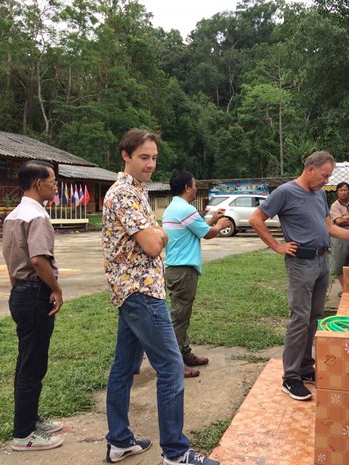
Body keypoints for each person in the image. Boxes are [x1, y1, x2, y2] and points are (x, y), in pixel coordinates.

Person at [102, 129, 219, 465]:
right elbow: (152, 243)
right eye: (143, 157)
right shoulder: (124, 193)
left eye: (154, 157)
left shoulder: (136, 191)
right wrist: (162, 234)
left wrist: (157, 233)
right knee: (170, 366)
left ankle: (119, 441)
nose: (150, 164)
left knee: (124, 367)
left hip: (136, 290)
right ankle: (176, 453)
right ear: (125, 155)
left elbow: (151, 238)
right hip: (140, 292)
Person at [249, 151, 349, 401]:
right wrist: (277, 246)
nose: (327, 181)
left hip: (321, 260)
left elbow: (330, 228)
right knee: (299, 317)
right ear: (310, 169)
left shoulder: (319, 194)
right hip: (301, 262)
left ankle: (307, 368)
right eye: (324, 175)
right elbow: (256, 219)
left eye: (329, 176)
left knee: (314, 317)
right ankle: (291, 377)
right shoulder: (286, 192)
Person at [2, 160, 64, 451]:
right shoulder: (37, 216)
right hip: (35, 294)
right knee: (32, 364)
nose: (55, 186)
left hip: (21, 293)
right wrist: (56, 289)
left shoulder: (13, 215)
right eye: (52, 181)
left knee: (29, 361)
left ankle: (31, 419)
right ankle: (24, 434)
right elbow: (39, 259)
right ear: (38, 183)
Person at [162, 170, 230, 378]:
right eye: (194, 184)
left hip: (177, 269)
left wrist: (211, 219)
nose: (196, 187)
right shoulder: (185, 209)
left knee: (182, 315)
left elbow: (197, 228)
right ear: (186, 187)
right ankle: (175, 363)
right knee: (179, 317)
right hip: (183, 270)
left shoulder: (175, 208)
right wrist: (219, 225)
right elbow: (207, 234)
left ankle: (185, 354)